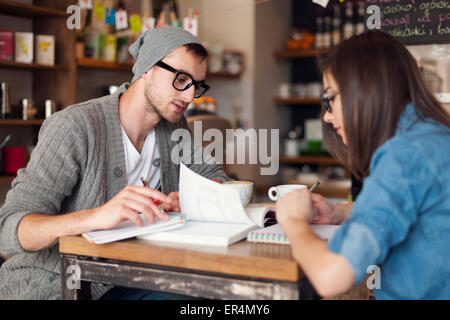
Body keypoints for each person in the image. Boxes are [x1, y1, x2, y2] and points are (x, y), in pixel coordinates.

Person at [0, 27, 229, 300]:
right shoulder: (75, 127)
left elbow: (217, 179)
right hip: (63, 284)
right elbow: (9, 231)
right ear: (147, 68)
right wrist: (96, 217)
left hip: (132, 275)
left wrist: (192, 197)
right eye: (181, 80)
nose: (190, 97)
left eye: (197, 85)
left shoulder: (173, 126)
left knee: (220, 291)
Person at [276, 31, 450, 300]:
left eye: (330, 98)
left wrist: (293, 221)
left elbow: (331, 276)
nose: (327, 115)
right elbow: (411, 207)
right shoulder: (432, 138)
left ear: (365, 89)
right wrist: (339, 213)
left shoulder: (403, 155)